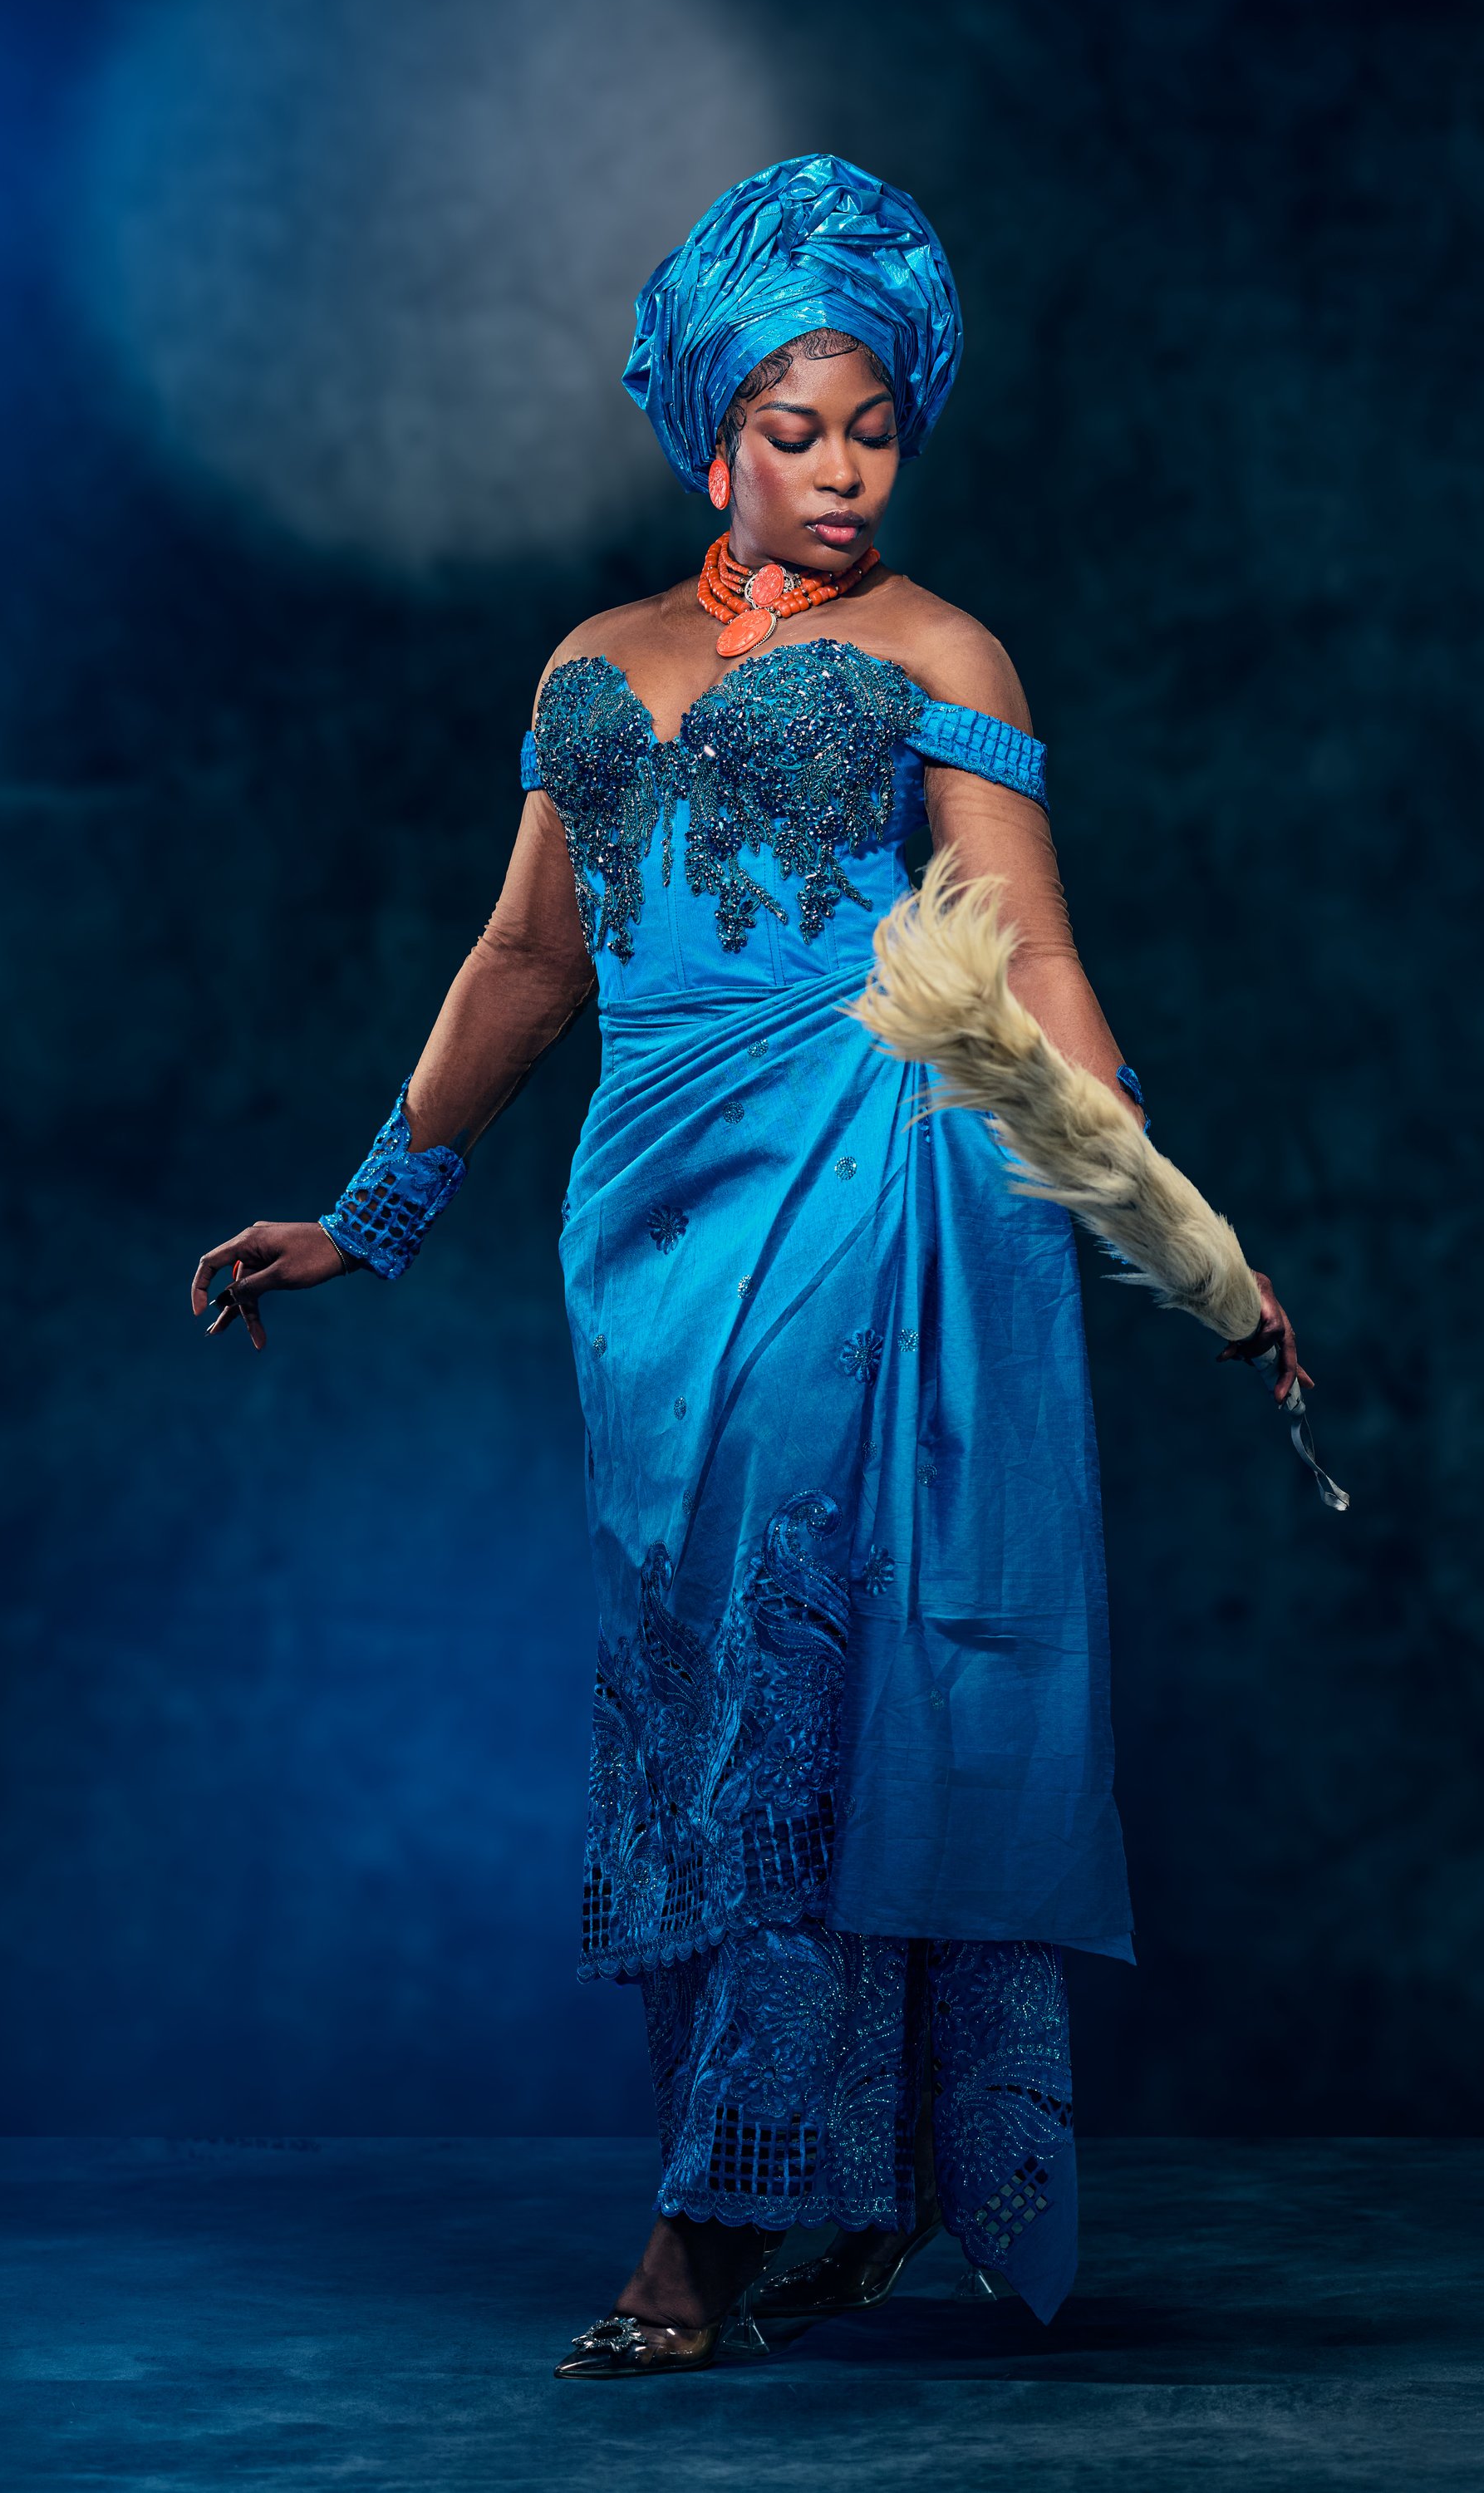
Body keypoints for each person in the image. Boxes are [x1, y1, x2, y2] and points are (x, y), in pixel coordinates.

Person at [190, 155, 1303, 2378]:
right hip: (647, 1220)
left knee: (806, 1668)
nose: (842, 472)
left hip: (872, 1188)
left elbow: (1037, 961)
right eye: (797, 432)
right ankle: (842, 2193)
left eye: (875, 429)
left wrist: (1184, 1239)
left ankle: (703, 2235)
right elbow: (522, 965)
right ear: (711, 431)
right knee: (705, 1670)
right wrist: (372, 1215)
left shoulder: (939, 655)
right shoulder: (591, 667)